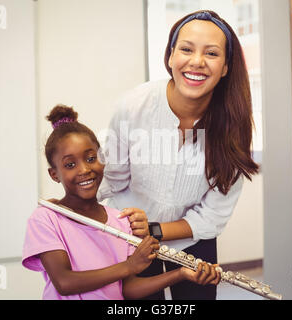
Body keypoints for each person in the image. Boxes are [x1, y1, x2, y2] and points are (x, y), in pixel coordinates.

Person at [98, 10, 259, 300]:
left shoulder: (235, 128)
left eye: (211, 53)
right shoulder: (133, 106)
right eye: (186, 49)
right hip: (130, 238)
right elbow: (112, 180)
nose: (196, 61)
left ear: (225, 67)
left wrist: (155, 229)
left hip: (192, 241)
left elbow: (212, 216)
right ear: (171, 56)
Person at [22, 105, 221, 300]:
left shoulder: (120, 221)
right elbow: (64, 283)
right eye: (70, 164)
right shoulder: (45, 218)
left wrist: (181, 274)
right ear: (54, 174)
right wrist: (129, 266)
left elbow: (128, 289)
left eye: (91, 158)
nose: (84, 169)